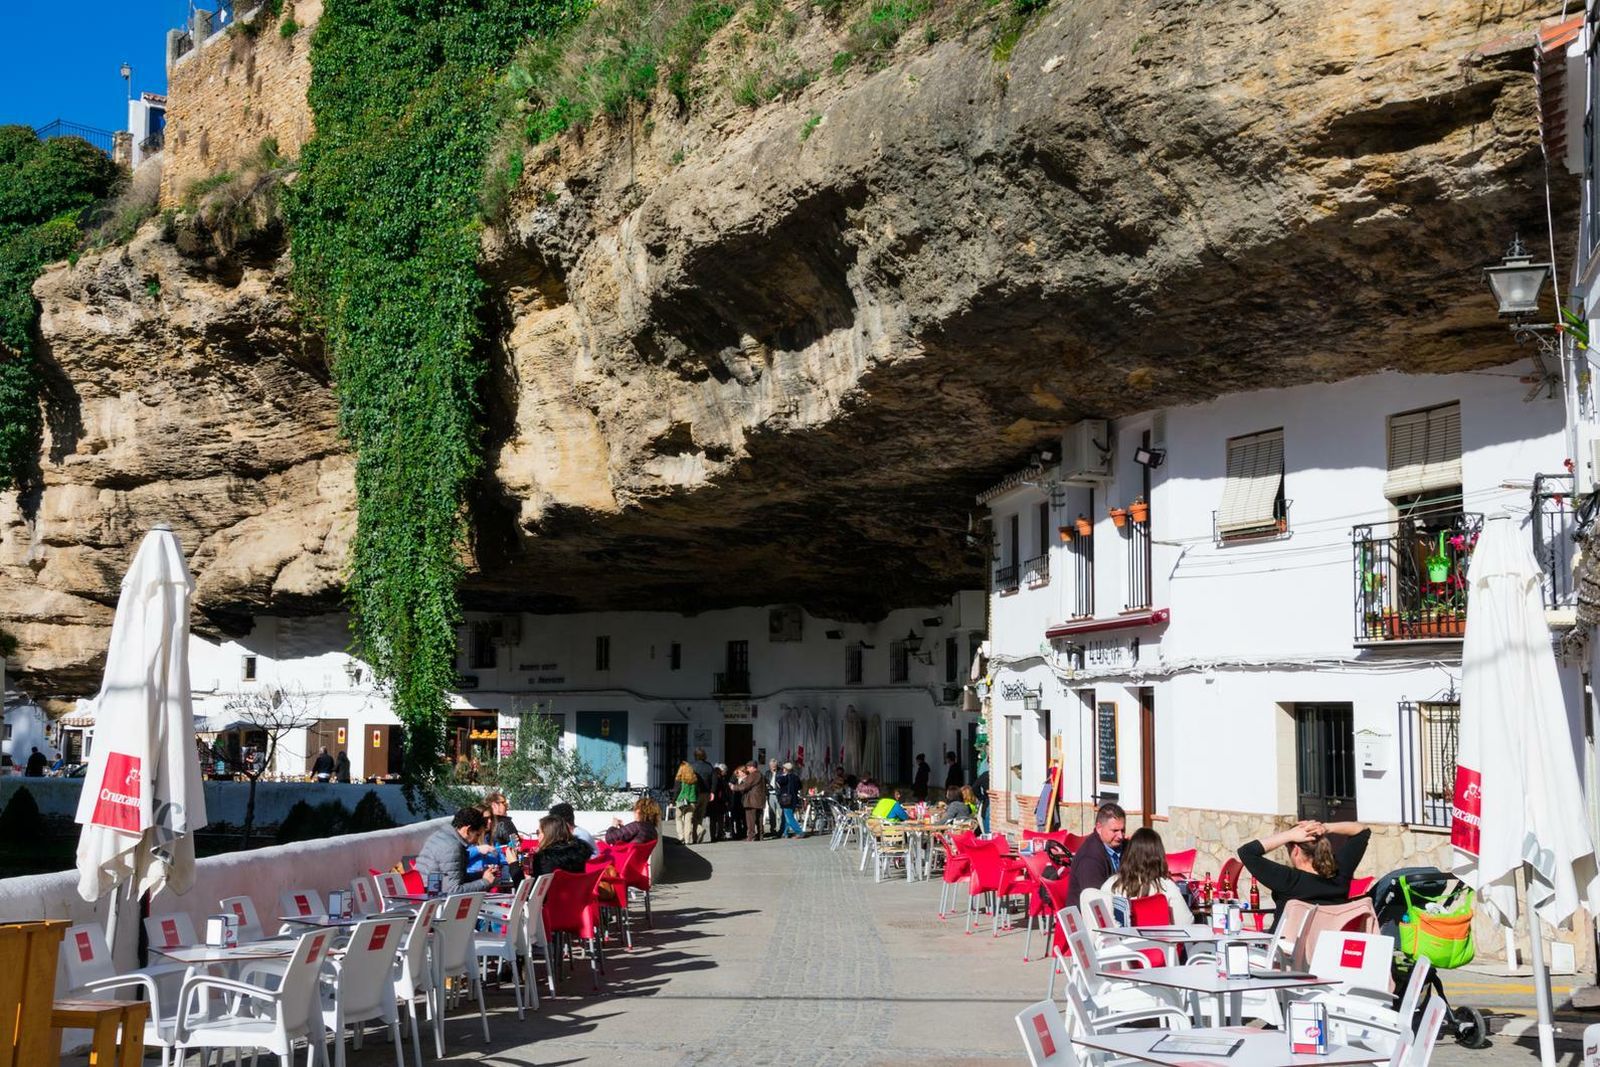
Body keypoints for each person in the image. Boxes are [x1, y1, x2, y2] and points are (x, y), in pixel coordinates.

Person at [1238, 819, 1370, 926]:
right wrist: (1324, 827)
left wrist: (1288, 835)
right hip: (1326, 949)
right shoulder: (1340, 872)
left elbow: (1246, 852)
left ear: (1295, 850)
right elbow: (1362, 830)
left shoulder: (1289, 881)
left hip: (1286, 953)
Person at [1104, 827, 1194, 924]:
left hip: (1123, 938)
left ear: (1129, 853)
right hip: (1159, 938)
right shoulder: (1166, 887)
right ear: (1159, 856)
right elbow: (1186, 922)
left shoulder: (1111, 884)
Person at [415, 807, 501, 894]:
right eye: (477, 835)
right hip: (433, 896)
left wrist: (481, 875)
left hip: (426, 890)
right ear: (467, 830)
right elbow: (454, 891)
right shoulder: (452, 848)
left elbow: (455, 877)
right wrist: (485, 882)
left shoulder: (442, 835)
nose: (477, 840)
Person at [1066, 802, 1127, 908]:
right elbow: (1096, 902)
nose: (1120, 836)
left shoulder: (1122, 846)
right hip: (1089, 917)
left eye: (1123, 830)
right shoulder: (1089, 859)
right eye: (1115, 831)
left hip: (1117, 904)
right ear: (1099, 828)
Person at [731, 762, 769, 842]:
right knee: (759, 819)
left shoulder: (754, 775)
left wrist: (734, 787)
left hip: (752, 800)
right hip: (759, 800)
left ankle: (751, 836)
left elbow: (746, 786)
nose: (747, 770)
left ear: (752, 767)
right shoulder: (761, 774)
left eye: (748, 768)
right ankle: (760, 835)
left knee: (750, 820)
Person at [774, 761, 805, 838]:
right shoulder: (796, 777)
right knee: (786, 817)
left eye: (783, 768)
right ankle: (785, 833)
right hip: (794, 799)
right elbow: (800, 787)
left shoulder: (784, 777)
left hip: (786, 800)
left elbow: (777, 782)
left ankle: (799, 832)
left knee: (789, 818)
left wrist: (783, 775)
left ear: (785, 769)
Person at [690, 748, 714, 842]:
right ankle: (697, 838)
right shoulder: (709, 766)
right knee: (700, 815)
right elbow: (714, 780)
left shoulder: (692, 766)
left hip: (695, 794)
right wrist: (712, 792)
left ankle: (698, 831)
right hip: (706, 794)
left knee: (692, 815)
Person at [674, 760, 701, 843]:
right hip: (692, 801)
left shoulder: (679, 779)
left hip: (681, 801)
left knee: (678, 818)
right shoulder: (694, 779)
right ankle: (687, 840)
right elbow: (697, 791)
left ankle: (681, 837)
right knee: (688, 820)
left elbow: (677, 791)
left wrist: (673, 800)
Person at [708, 763, 731, 842]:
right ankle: (718, 835)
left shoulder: (713, 775)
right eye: (725, 771)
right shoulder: (719, 778)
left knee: (713, 820)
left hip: (713, 801)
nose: (726, 773)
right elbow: (723, 790)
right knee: (719, 819)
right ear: (722, 770)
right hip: (719, 801)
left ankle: (714, 836)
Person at [764, 758, 782, 837]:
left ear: (777, 765)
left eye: (774, 766)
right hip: (770, 794)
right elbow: (765, 781)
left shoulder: (780, 771)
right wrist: (767, 785)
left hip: (779, 794)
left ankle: (781, 830)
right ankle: (773, 830)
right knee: (772, 813)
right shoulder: (767, 773)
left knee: (781, 812)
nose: (773, 767)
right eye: (771, 766)